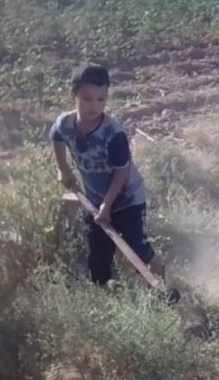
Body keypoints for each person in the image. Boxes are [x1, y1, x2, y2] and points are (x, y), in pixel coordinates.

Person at [49, 63, 165, 286]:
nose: (94, 106)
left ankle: (158, 274)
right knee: (98, 254)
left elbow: (122, 173)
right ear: (74, 95)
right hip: (94, 199)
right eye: (87, 99)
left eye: (101, 99)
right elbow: (56, 137)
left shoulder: (113, 134)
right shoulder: (65, 123)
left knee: (135, 246)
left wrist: (107, 205)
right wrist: (62, 168)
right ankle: (106, 290)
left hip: (127, 198)